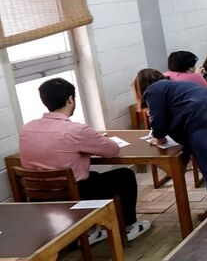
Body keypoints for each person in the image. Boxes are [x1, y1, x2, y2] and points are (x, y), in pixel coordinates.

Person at [18, 78, 152, 242]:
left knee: (93, 175)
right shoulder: (77, 130)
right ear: (70, 99)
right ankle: (129, 226)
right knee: (125, 175)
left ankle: (88, 231)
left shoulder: (27, 129)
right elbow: (112, 150)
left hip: (39, 195)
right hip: (74, 194)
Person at [136, 69, 207, 216]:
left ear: (141, 85)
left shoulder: (153, 90)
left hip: (206, 126)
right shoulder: (176, 86)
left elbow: (158, 121)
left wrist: (158, 137)